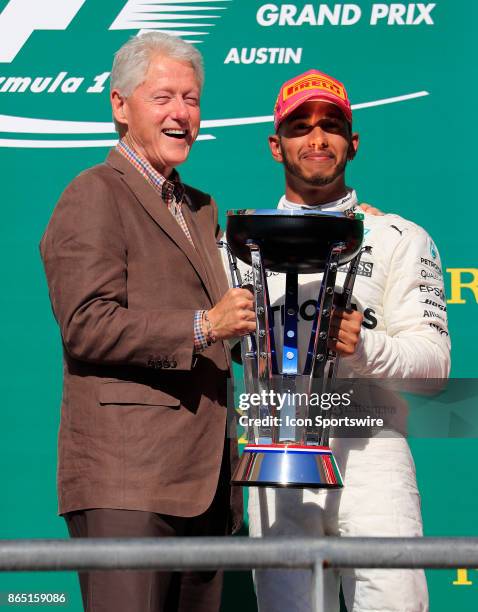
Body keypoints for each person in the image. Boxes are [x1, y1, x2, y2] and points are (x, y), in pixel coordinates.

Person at [40, 32, 256, 612]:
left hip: (206, 486)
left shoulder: (202, 207)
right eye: (163, 97)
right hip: (128, 482)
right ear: (119, 105)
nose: (181, 113)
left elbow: (228, 330)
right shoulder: (93, 194)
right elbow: (86, 323)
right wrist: (202, 326)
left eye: (191, 99)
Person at [246, 69, 451, 612]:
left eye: (331, 126)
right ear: (276, 145)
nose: (317, 139)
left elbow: (434, 371)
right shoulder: (236, 245)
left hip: (374, 454)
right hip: (277, 457)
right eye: (300, 127)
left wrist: (365, 349)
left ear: (353, 143)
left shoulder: (399, 237)